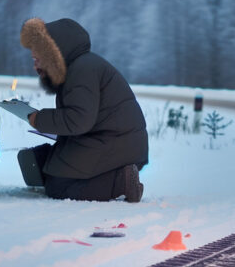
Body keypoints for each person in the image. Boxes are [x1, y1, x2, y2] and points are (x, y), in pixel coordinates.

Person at [17, 17, 148, 202]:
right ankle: (118, 177)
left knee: (59, 187)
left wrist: (39, 119)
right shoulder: (82, 65)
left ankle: (122, 181)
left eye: (37, 59)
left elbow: (78, 120)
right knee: (51, 169)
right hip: (114, 141)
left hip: (114, 144)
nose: (35, 66)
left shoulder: (81, 70)